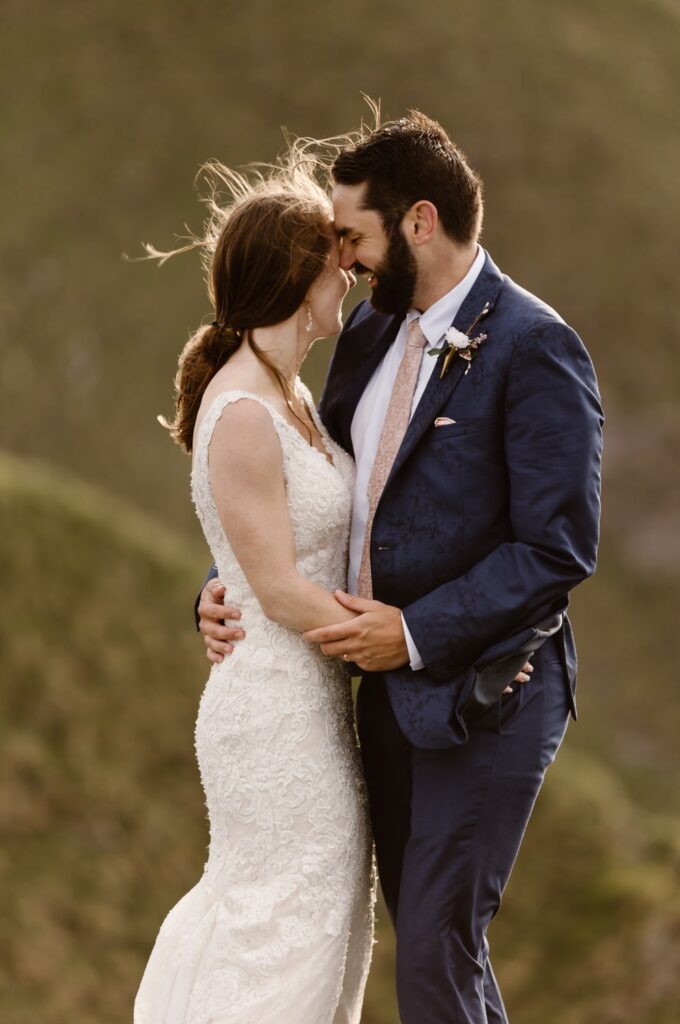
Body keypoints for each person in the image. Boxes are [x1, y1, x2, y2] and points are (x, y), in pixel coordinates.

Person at [198, 110, 603, 1024]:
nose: (345, 260)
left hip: (490, 690)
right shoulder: (372, 337)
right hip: (379, 698)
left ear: (420, 222)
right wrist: (227, 588)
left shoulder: (538, 347)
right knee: (430, 948)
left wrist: (414, 632)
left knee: (431, 947)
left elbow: (558, 547)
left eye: (355, 237)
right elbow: (311, 502)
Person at [134, 156, 376, 1024]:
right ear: (294, 276)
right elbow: (273, 588)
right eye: (332, 258)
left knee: (319, 934)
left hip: (312, 704)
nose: (347, 271)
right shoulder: (241, 411)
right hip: (274, 718)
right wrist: (408, 640)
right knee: (276, 939)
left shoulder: (292, 394)